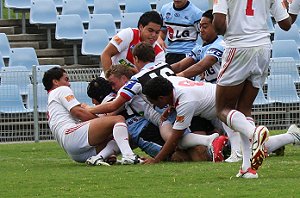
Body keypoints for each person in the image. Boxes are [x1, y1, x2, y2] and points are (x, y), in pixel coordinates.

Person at [212, 0, 292, 178]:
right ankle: (248, 167)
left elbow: (218, 25)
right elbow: (286, 24)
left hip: (238, 47)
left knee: (222, 109)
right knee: (244, 109)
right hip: (263, 48)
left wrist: (230, 28)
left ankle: (253, 133)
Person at [86, 76, 215, 162]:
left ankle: (210, 142)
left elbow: (112, 108)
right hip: (161, 120)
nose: (114, 87)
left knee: (177, 148)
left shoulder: (129, 87)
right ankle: (212, 145)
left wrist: (88, 110)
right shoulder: (139, 86)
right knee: (181, 144)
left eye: (113, 83)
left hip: (148, 130)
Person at [42, 67, 142, 166]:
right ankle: (129, 156)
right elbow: (78, 112)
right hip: (71, 136)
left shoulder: (51, 99)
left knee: (126, 136)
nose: (69, 83)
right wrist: (104, 122)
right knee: (118, 120)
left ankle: (99, 157)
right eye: (66, 79)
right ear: (55, 81)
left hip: (75, 152)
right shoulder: (61, 89)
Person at [100, 11, 165, 74]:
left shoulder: (159, 53)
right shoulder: (128, 34)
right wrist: (109, 79)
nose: (153, 35)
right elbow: (105, 54)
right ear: (141, 27)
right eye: (150, 30)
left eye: (157, 32)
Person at [171, 9, 225, 83]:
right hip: (210, 87)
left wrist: (176, 77)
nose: (201, 30)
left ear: (215, 26)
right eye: (200, 27)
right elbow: (180, 65)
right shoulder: (200, 48)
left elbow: (200, 67)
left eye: (205, 27)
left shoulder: (220, 45)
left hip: (222, 87)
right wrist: (162, 70)